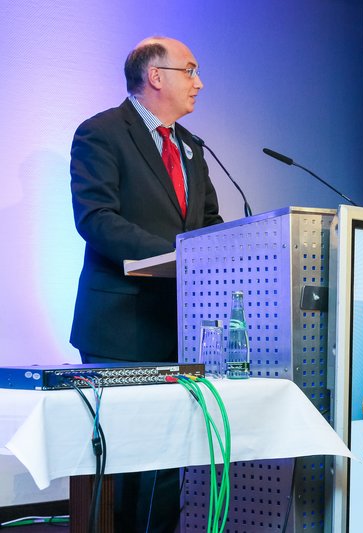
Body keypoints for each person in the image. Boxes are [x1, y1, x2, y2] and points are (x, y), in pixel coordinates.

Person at [69, 36, 224, 532]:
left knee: (166, 468)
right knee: (122, 467)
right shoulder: (101, 133)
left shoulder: (192, 148)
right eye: (190, 70)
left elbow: (209, 222)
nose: (199, 82)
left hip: (177, 328)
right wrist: (174, 252)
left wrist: (227, 250)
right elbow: (97, 218)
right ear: (155, 76)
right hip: (121, 328)